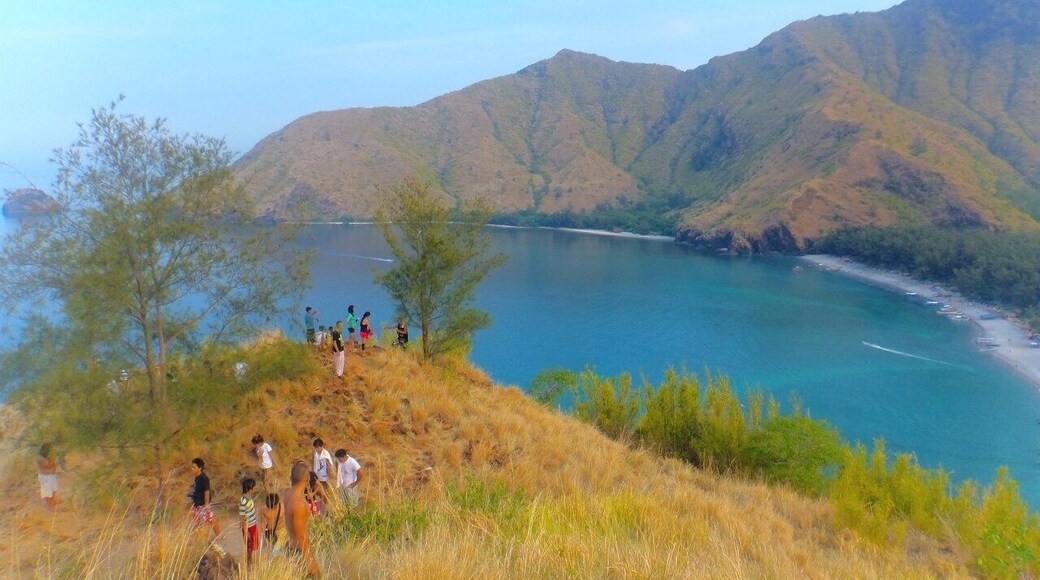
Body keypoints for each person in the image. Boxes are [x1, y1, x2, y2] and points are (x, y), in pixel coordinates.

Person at [282, 461, 319, 576]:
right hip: (300, 553)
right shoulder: (299, 504)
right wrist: (312, 564)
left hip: (291, 548)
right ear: (306, 478)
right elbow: (301, 537)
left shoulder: (288, 494)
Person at [189, 458, 223, 548]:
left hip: (202, 504)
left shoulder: (204, 478)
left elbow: (207, 491)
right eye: (192, 467)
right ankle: (198, 538)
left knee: (210, 519)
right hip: (196, 503)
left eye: (194, 467)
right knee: (196, 521)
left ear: (200, 468)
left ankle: (219, 534)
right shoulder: (197, 477)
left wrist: (206, 504)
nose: (192, 469)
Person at [239, 478, 259, 569]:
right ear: (249, 488)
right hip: (249, 526)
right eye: (253, 487)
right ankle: (249, 563)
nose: (254, 489)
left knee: (251, 545)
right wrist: (246, 532)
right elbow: (243, 518)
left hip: (252, 524)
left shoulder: (246, 499)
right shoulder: (244, 501)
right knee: (250, 546)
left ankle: (249, 562)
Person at [37, 443, 59, 511]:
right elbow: (49, 465)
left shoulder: (47, 456)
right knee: (47, 491)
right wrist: (53, 460)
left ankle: (52, 501)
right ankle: (50, 507)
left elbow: (53, 465)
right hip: (45, 477)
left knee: (52, 490)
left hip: (51, 475)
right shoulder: (40, 457)